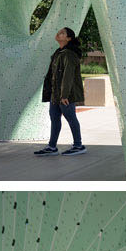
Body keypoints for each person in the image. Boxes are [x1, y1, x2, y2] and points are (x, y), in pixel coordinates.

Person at [34, 27, 86, 156]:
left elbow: (68, 76)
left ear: (68, 38)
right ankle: (52, 147)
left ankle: (78, 145)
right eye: (59, 32)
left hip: (65, 95)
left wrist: (64, 95)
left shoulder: (69, 54)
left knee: (71, 118)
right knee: (54, 118)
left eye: (63, 33)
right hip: (55, 94)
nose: (59, 33)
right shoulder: (58, 53)